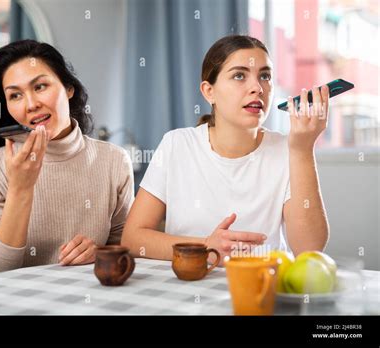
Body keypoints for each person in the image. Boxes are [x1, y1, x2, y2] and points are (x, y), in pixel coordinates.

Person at [121, 34, 330, 264]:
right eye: (239, 75)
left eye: (265, 76)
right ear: (209, 91)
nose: (257, 88)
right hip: (191, 284)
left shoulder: (289, 150)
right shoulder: (176, 145)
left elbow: (310, 249)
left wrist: (302, 150)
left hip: (264, 287)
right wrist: (205, 248)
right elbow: (132, 239)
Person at [0, 40, 134, 275]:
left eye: (40, 87)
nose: (32, 104)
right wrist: (20, 189)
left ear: (68, 88)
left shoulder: (114, 160)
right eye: (15, 95)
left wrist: (99, 252)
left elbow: (128, 247)